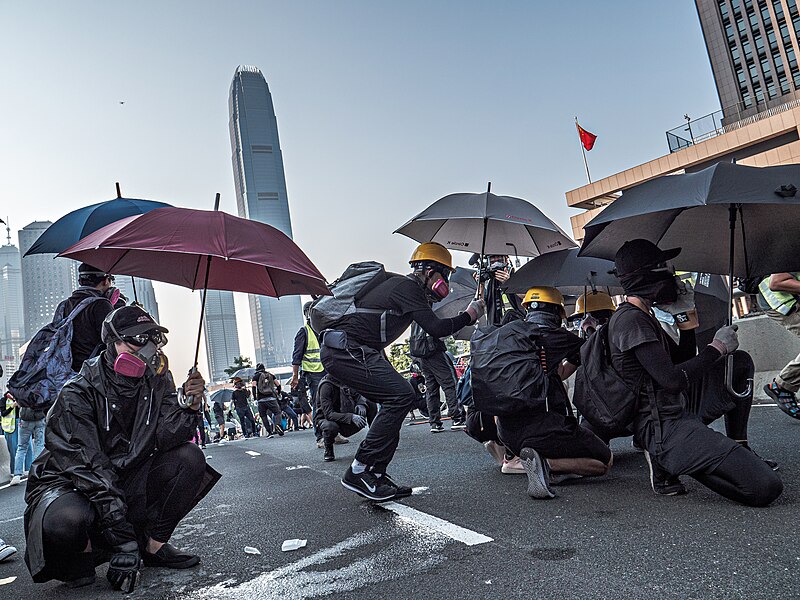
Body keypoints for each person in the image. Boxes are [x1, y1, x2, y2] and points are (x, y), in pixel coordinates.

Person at [23, 306, 220, 591]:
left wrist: (190, 407)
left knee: (189, 459)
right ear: (112, 343)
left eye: (152, 338)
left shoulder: (157, 379)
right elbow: (90, 468)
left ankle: (153, 547)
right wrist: (123, 541)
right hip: (72, 484)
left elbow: (167, 437)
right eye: (137, 339)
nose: (147, 348)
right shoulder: (77, 392)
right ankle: (81, 557)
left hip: (123, 474)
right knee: (66, 521)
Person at [606, 239, 782, 506]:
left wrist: (685, 317)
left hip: (678, 407)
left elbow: (682, 362)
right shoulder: (630, 321)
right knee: (765, 487)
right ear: (649, 275)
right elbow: (673, 380)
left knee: (739, 362)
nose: (672, 274)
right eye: (665, 267)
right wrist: (717, 347)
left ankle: (736, 444)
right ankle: (671, 459)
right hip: (662, 424)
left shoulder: (645, 315)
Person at [321, 242, 485, 501]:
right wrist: (470, 314)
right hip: (346, 349)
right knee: (400, 396)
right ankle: (360, 470)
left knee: (401, 396)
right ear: (430, 271)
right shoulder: (407, 287)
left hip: (354, 350)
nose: (446, 283)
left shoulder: (404, 288)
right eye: (445, 275)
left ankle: (375, 472)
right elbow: (438, 328)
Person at [495, 287, 614, 499]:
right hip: (544, 427)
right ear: (558, 313)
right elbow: (595, 353)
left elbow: (557, 374)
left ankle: (541, 465)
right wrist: (589, 329)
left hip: (507, 432)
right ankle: (546, 464)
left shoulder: (507, 336)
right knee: (605, 462)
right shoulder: (556, 335)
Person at [57, 263, 118, 373]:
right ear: (105, 281)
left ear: (80, 281)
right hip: (94, 374)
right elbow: (113, 341)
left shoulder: (64, 305)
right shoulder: (101, 304)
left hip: (67, 373)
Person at [409, 324, 465, 433]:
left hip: (422, 355)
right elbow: (440, 329)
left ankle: (435, 423)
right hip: (435, 351)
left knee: (431, 389)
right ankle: (457, 418)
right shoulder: (429, 312)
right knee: (451, 385)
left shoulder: (415, 319)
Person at [759, 272, 800, 416]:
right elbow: (776, 282)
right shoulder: (790, 249)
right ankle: (782, 385)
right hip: (783, 301)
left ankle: (782, 385)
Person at [318, 376, 378, 462]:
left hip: (347, 414)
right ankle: (328, 449)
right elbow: (328, 414)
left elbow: (358, 395)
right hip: (330, 419)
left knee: (370, 403)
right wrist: (351, 417)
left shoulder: (346, 378)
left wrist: (362, 404)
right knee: (330, 426)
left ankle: (376, 440)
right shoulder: (326, 386)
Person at [291, 301, 326, 445]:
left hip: (328, 370)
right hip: (313, 373)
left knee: (332, 402)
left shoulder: (323, 329)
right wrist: (294, 376)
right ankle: (320, 436)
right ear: (307, 314)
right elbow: (296, 356)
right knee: (319, 404)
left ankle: (333, 433)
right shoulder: (304, 332)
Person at [471, 254, 524, 326]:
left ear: (507, 260)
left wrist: (508, 283)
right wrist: (481, 285)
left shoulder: (518, 276)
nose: (496, 264)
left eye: (499, 260)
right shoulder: (489, 282)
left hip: (516, 327)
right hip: (494, 328)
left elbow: (524, 297)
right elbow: (480, 305)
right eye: (492, 261)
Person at [2, 391, 32, 478]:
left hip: (22, 424)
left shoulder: (21, 399)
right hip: (10, 428)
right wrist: (12, 406)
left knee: (28, 447)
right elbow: (3, 413)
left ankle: (28, 469)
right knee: (13, 449)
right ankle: (15, 471)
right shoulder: (4, 400)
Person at [252, 364, 283, 436]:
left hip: (261, 400)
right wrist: (278, 392)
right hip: (271, 398)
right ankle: (278, 425)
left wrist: (255, 398)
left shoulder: (255, 376)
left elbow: (253, 387)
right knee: (277, 412)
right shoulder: (271, 375)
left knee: (263, 416)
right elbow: (278, 385)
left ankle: (269, 432)